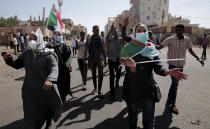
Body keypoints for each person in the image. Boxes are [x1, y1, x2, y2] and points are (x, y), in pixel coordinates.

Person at [120, 23, 188, 129]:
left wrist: (169, 72)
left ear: (147, 32)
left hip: (148, 89)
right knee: (132, 120)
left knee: (149, 122)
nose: (142, 32)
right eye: (139, 30)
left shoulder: (151, 48)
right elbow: (127, 69)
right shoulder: (127, 48)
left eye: (144, 30)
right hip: (131, 89)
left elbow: (158, 68)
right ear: (134, 33)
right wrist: (132, 68)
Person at [2, 30, 62, 129]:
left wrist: (50, 80)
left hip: (45, 90)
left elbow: (54, 68)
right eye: (30, 39)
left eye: (34, 38)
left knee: (46, 111)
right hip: (29, 90)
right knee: (30, 117)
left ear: (40, 39)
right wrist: (9, 59)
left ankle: (48, 122)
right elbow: (17, 64)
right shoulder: (27, 54)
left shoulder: (48, 54)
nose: (32, 41)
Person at [156, 24, 204, 114]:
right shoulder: (170, 39)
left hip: (181, 65)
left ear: (183, 30)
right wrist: (149, 43)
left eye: (180, 30)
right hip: (172, 66)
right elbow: (159, 47)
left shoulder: (187, 40)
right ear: (175, 30)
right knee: (175, 84)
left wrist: (198, 58)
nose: (178, 32)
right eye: (177, 30)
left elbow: (190, 50)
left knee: (175, 84)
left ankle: (169, 100)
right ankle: (172, 104)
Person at [47, 30, 72, 102]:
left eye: (61, 35)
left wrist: (67, 65)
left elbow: (69, 56)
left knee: (64, 85)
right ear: (54, 36)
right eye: (59, 35)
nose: (60, 36)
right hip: (53, 70)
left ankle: (62, 98)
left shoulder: (65, 45)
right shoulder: (48, 46)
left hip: (63, 70)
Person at [84, 25, 106, 98]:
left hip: (100, 59)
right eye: (96, 30)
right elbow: (86, 48)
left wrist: (105, 59)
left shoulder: (101, 39)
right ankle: (95, 88)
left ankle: (99, 90)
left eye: (98, 30)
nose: (97, 31)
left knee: (101, 75)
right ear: (93, 31)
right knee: (93, 74)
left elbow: (103, 50)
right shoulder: (89, 39)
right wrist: (84, 57)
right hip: (92, 59)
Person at [105, 24, 123, 99]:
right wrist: (110, 30)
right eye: (114, 32)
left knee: (118, 73)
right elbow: (106, 37)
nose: (115, 33)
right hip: (111, 59)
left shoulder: (120, 39)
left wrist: (121, 28)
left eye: (117, 32)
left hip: (118, 59)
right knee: (112, 75)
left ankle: (117, 82)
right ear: (112, 33)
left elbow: (124, 36)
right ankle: (112, 93)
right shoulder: (110, 39)